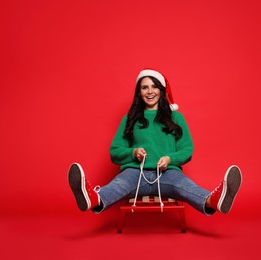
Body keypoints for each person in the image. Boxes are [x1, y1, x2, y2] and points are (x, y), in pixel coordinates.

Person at [68, 68, 242, 216]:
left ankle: (215, 200)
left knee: (186, 186)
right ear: (139, 92)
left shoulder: (176, 118)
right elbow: (115, 151)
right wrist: (133, 152)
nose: (150, 92)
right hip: (135, 173)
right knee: (119, 184)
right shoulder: (129, 119)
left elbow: (187, 149)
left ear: (161, 90)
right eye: (144, 88)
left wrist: (169, 159)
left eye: (154, 87)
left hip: (168, 175)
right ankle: (93, 198)